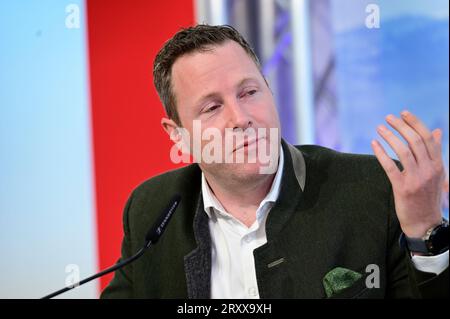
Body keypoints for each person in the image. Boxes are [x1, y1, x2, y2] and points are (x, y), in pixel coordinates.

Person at [101, 24, 448, 298]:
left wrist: (425, 231)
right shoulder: (153, 211)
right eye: (212, 107)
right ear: (177, 134)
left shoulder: (370, 188)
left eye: (249, 92)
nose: (240, 118)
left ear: (269, 89)